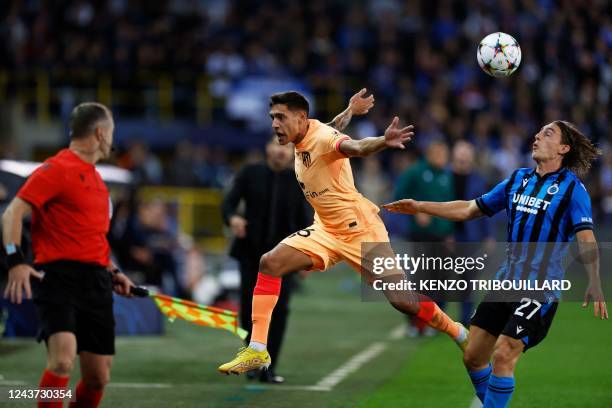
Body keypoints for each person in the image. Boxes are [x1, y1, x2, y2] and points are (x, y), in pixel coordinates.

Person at [218, 89, 468, 375]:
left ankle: (457, 331)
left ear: (301, 118)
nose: (274, 124)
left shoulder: (323, 138)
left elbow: (356, 147)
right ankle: (258, 350)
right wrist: (350, 110)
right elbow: (335, 125)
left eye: (280, 117)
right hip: (325, 229)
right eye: (272, 117)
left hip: (362, 230)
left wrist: (383, 142)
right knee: (269, 263)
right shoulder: (309, 133)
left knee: (404, 302)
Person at [384, 121, 608, 408]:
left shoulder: (573, 189)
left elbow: (586, 237)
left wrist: (594, 280)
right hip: (505, 282)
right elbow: (469, 208)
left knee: (504, 352)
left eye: (548, 133)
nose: (537, 136)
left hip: (540, 288)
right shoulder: (517, 180)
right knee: (473, 356)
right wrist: (420, 206)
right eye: (538, 131)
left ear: (564, 149)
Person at [2, 102, 135, 408]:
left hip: (97, 283)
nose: (113, 141)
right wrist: (15, 261)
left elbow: (93, 242)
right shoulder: (56, 169)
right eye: (112, 133)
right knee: (62, 361)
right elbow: (11, 214)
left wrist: (114, 273)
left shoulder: (99, 184)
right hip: (58, 279)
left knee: (97, 377)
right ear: (100, 133)